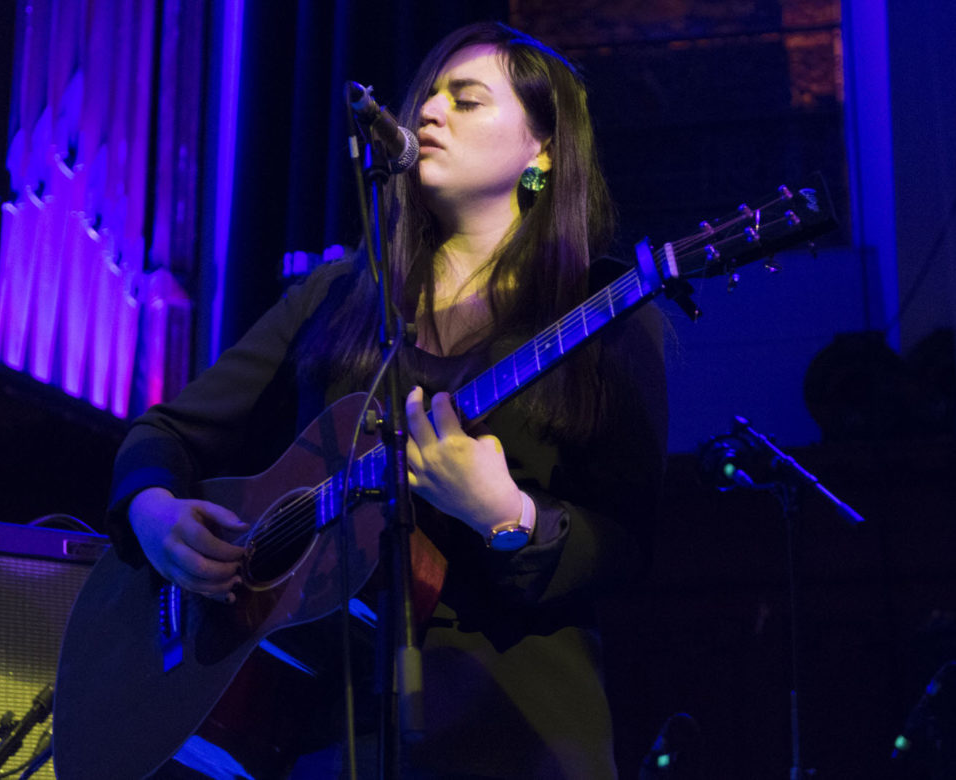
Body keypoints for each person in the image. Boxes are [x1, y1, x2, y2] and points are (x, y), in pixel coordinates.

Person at [106, 20, 670, 778]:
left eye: (466, 101)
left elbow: (632, 542)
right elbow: (168, 431)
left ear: (543, 150)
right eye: (428, 96)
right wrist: (154, 514)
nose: (429, 113)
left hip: (515, 731)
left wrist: (509, 517)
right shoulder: (338, 295)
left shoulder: (603, 312)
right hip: (320, 730)